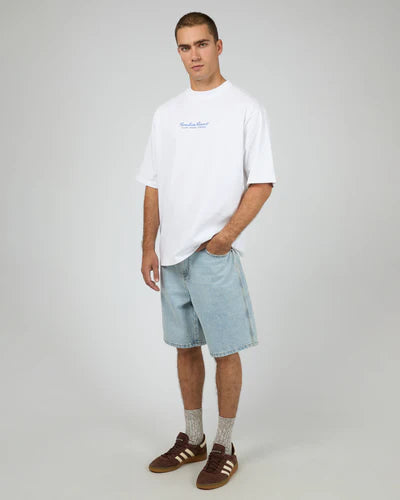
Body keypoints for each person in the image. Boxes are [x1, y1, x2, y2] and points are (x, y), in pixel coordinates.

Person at [136, 11, 277, 490]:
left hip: (213, 255)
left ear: (218, 45)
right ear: (178, 52)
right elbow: (153, 183)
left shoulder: (244, 108)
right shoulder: (166, 113)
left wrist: (224, 239)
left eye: (201, 44)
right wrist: (149, 245)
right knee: (185, 347)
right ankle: (194, 437)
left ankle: (224, 445)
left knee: (225, 350)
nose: (193, 55)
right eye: (184, 47)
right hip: (172, 255)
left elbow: (262, 182)